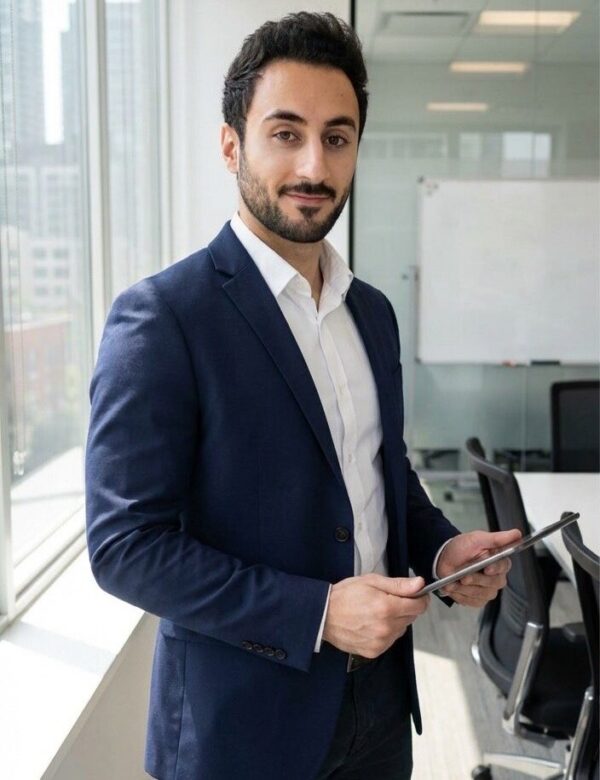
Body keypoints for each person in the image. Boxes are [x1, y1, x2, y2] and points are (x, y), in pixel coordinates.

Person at [85, 12, 519, 780]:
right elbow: (125, 547)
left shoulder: (372, 313)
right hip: (240, 727)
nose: (314, 165)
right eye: (285, 133)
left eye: (337, 137)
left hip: (379, 707)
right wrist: (317, 613)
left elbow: (377, 475)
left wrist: (442, 548)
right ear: (232, 146)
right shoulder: (163, 318)